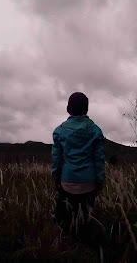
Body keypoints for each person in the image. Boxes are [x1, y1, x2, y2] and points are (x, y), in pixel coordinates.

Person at [51, 92, 105, 238]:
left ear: (69, 108)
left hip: (67, 182)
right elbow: (99, 159)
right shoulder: (95, 130)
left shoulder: (59, 131)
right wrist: (100, 180)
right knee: (86, 218)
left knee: (66, 219)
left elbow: (56, 159)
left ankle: (68, 245)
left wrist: (56, 178)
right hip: (89, 182)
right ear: (86, 109)